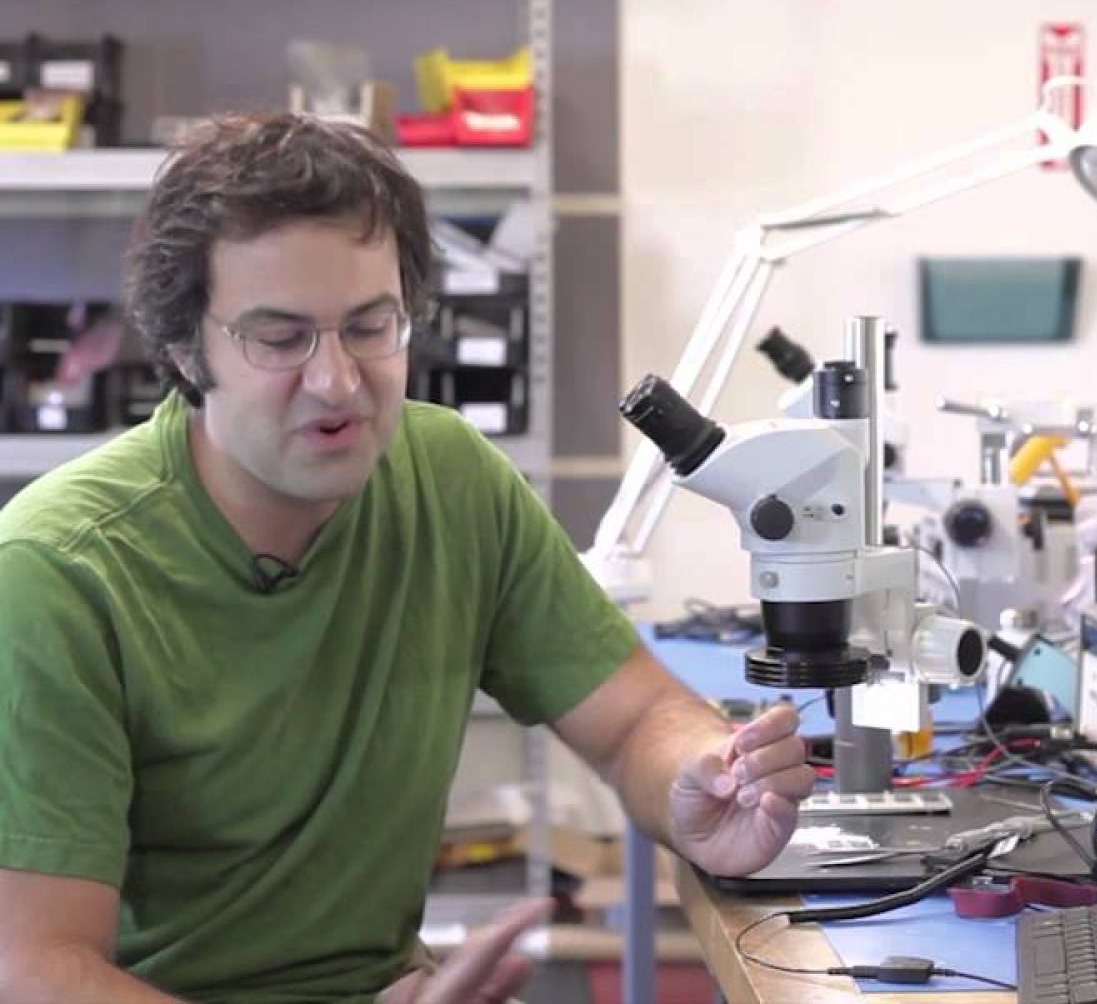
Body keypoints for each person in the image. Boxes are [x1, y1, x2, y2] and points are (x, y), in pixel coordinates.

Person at [0, 114, 815, 1004]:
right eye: (280, 338)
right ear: (186, 349)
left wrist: (706, 778)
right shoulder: (57, 574)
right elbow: (35, 970)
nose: (337, 382)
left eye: (369, 326)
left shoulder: (449, 481)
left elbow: (632, 719)